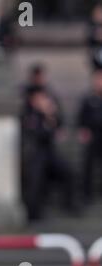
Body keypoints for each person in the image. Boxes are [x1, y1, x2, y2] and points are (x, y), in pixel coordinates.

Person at [21, 87, 76, 222]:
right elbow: (39, 134)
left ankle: (69, 205)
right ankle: (34, 215)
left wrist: (50, 116)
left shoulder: (49, 114)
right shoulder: (30, 115)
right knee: (35, 180)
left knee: (69, 172)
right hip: (36, 154)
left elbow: (58, 130)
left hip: (50, 154)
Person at [78, 69, 102, 203]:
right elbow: (81, 117)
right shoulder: (88, 99)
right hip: (93, 135)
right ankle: (87, 193)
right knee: (88, 164)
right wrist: (83, 130)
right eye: (98, 80)